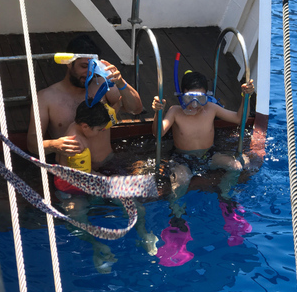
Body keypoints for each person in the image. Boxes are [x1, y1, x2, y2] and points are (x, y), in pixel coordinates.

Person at [150, 71, 254, 265]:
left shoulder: (211, 109)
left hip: (208, 155)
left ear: (208, 96)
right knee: (180, 180)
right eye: (190, 98)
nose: (195, 105)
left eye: (201, 98)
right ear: (182, 95)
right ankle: (177, 219)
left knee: (235, 166)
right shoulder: (174, 111)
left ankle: (226, 199)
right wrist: (158, 112)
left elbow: (240, 119)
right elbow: (158, 133)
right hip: (182, 158)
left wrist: (245, 97)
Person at [27, 35, 143, 170]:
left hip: (109, 164)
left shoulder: (103, 86)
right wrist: (55, 145)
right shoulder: (46, 98)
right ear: (69, 63)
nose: (88, 73)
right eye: (83, 66)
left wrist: (121, 83)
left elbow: (136, 109)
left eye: (92, 67)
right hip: (73, 173)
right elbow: (31, 143)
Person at [54, 98, 118, 274]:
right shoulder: (75, 143)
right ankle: (96, 246)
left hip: (83, 178)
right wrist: (104, 180)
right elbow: (83, 176)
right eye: (98, 130)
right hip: (70, 188)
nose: (100, 133)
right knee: (77, 217)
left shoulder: (79, 128)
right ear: (85, 126)